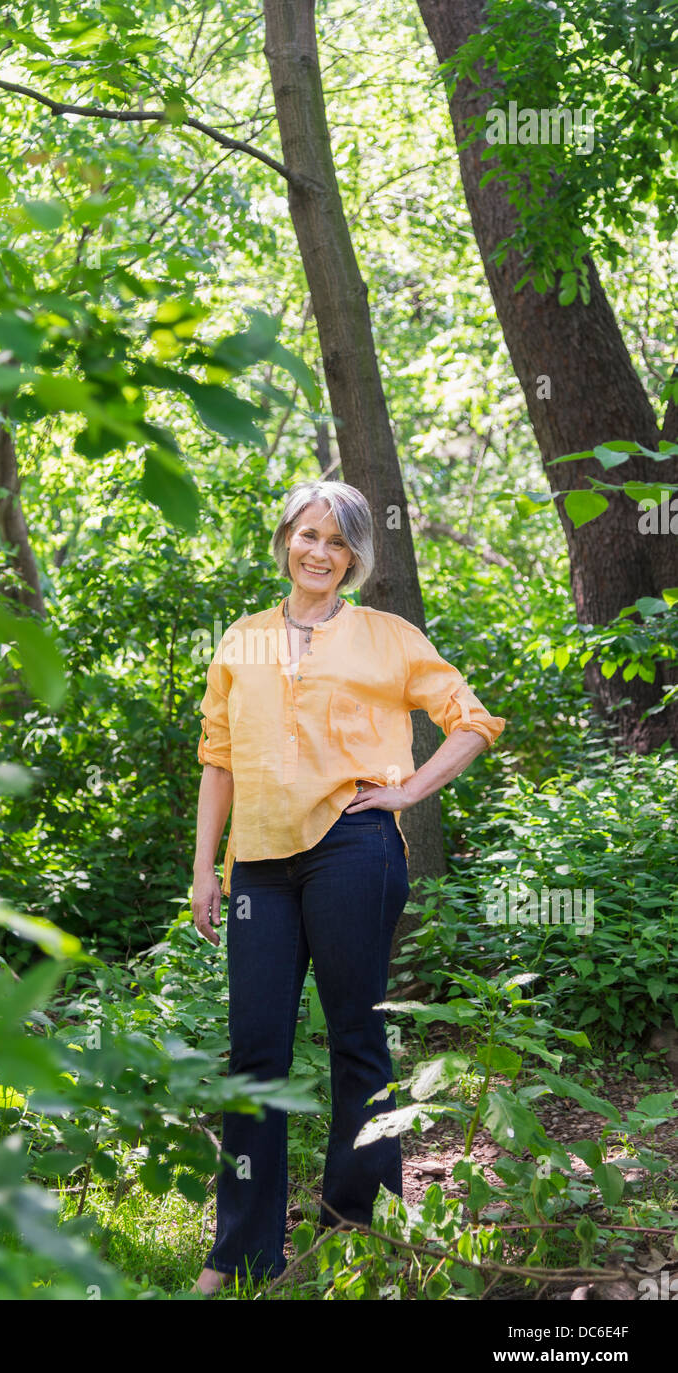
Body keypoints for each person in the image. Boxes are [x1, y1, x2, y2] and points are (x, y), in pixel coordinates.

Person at [189, 479, 505, 1296]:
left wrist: (403, 791)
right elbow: (218, 757)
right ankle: (238, 1253)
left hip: (353, 846)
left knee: (357, 1041)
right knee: (254, 1050)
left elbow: (470, 720)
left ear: (356, 557)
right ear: (285, 541)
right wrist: (203, 868)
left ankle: (356, 1236)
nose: (319, 552)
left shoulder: (384, 636)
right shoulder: (245, 640)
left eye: (337, 542)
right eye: (307, 535)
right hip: (257, 862)